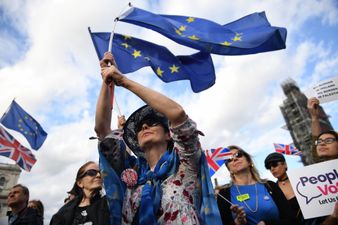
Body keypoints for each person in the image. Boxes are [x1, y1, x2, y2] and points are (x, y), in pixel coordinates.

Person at [95, 52, 221, 225]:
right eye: (139, 128)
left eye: (153, 123)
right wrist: (107, 81)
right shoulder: (132, 172)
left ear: (169, 134)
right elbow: (102, 131)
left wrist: (123, 80)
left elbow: (177, 114)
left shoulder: (184, 163)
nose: (145, 127)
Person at [217, 145, 294, 225]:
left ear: (249, 161)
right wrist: (237, 223)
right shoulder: (223, 194)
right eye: (229, 159)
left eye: (238, 155)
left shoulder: (270, 186)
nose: (234, 159)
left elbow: (292, 220)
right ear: (229, 169)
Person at [264, 152, 302, 224]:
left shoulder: (301, 180)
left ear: (285, 164)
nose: (272, 169)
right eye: (269, 167)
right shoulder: (272, 190)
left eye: (274, 164)